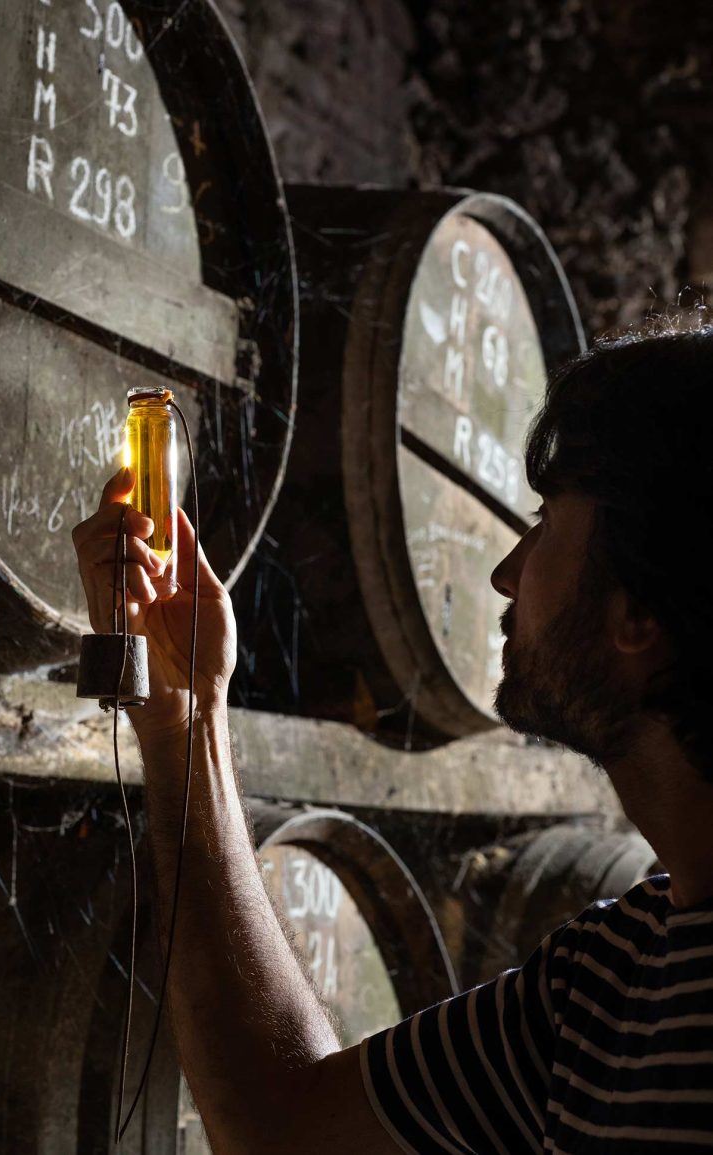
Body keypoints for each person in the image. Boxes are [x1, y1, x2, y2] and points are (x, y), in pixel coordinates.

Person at [73, 326, 713, 1154]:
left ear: (640, 611)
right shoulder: (604, 983)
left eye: (548, 522)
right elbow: (280, 1125)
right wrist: (186, 717)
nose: (506, 572)